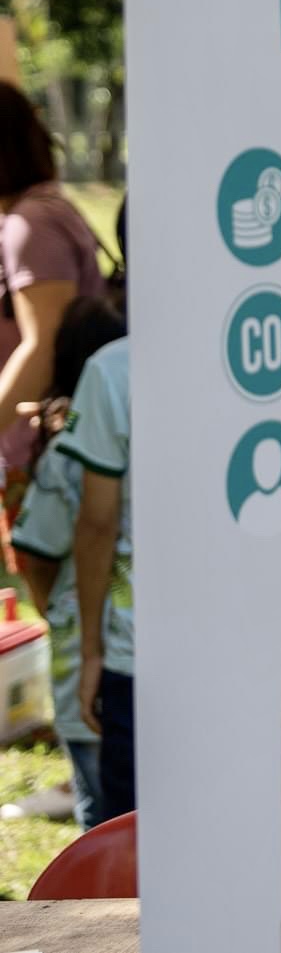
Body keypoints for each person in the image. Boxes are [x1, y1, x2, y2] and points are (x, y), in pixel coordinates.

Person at [12, 282, 127, 828]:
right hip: (105, 663)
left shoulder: (62, 459)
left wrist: (58, 609)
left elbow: (33, 548)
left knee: (103, 825)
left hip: (95, 663)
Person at [0, 84, 108, 568]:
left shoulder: (30, 225)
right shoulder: (46, 207)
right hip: (58, 440)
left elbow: (44, 346)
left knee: (63, 604)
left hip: (48, 451)